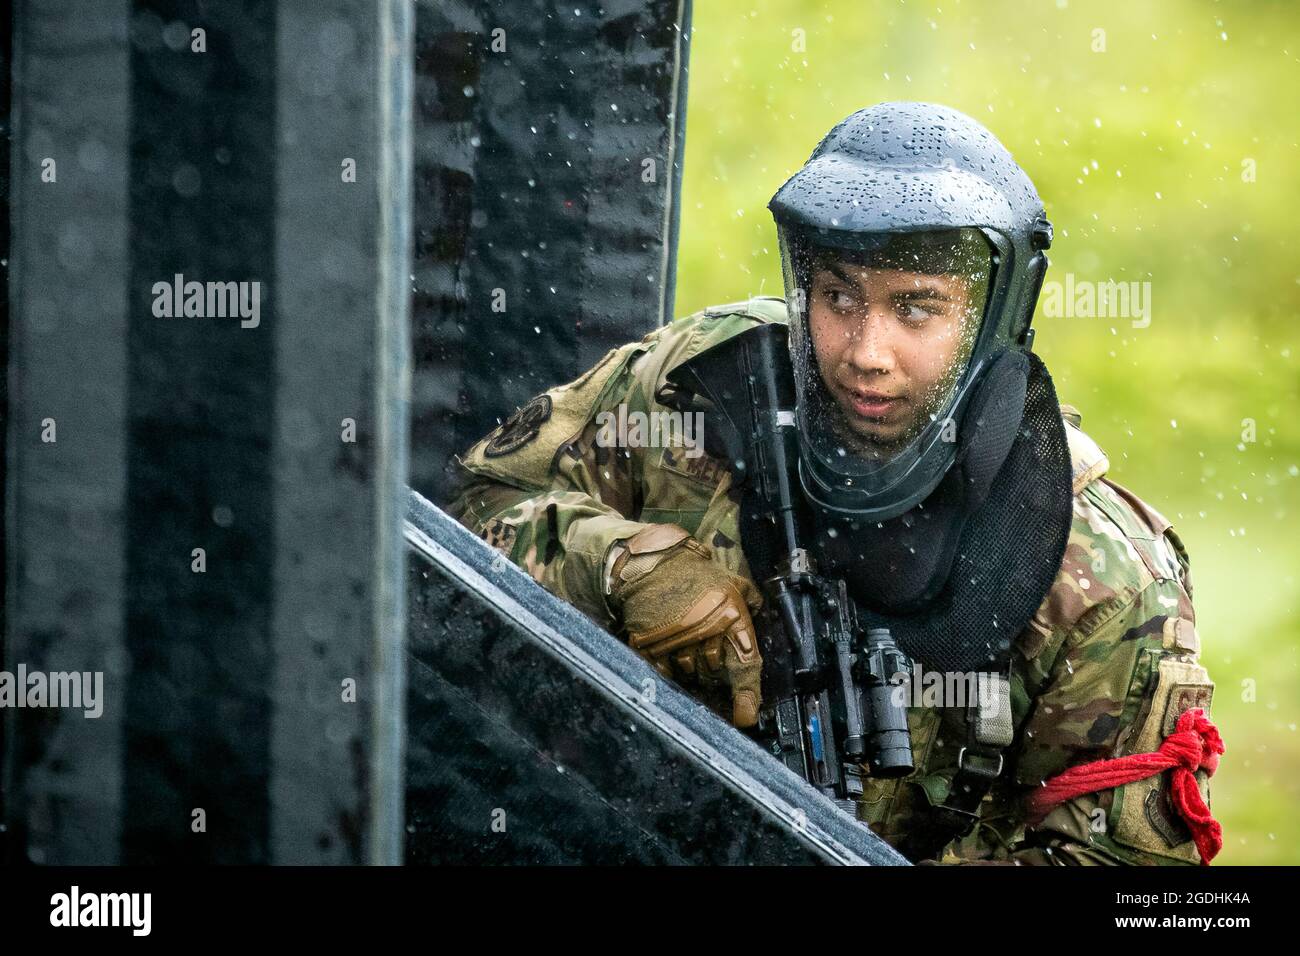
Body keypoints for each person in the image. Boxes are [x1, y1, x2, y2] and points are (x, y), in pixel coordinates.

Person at [444, 102, 1222, 865]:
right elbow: (460, 526)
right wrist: (622, 567)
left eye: (917, 309)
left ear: (994, 318)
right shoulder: (692, 389)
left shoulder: (1100, 578)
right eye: (838, 297)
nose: (865, 351)